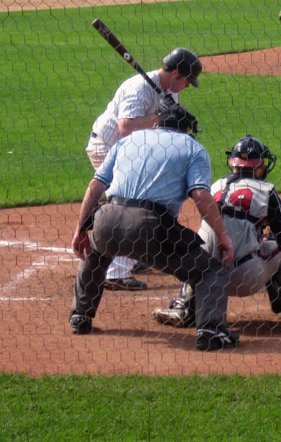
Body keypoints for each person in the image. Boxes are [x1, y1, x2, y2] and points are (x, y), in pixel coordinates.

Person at [68, 102, 240, 351]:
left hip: (106, 219)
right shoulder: (193, 148)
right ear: (186, 130)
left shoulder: (127, 141)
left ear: (157, 123)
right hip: (149, 227)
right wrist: (222, 235)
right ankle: (210, 331)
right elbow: (201, 195)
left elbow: (95, 186)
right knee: (210, 270)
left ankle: (80, 317)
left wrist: (80, 229)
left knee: (94, 252)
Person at [152, 135, 281, 331]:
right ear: (259, 167)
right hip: (244, 278)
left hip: (206, 279)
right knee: (279, 245)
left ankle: (185, 306)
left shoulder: (214, 187)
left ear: (233, 164)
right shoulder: (265, 192)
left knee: (199, 249)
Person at [85, 46, 203, 291]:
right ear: (176, 75)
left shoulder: (169, 90)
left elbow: (161, 130)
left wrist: (175, 120)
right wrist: (159, 116)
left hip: (131, 151)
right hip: (108, 147)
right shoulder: (138, 88)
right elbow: (125, 128)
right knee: (128, 203)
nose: (188, 86)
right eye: (187, 81)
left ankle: (134, 253)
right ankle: (116, 273)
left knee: (137, 202)